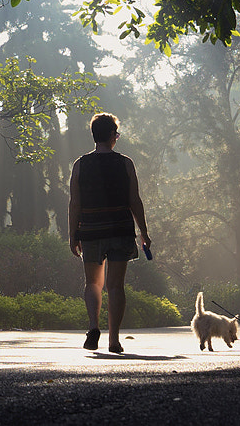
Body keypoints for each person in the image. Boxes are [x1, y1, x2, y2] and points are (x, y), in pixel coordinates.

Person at [67, 112, 151, 354]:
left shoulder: (81, 164)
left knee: (93, 282)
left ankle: (94, 326)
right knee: (115, 286)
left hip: (91, 230)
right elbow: (135, 200)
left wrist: (73, 235)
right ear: (114, 136)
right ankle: (114, 340)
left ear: (94, 136)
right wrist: (143, 231)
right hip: (120, 230)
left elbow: (75, 203)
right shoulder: (125, 163)